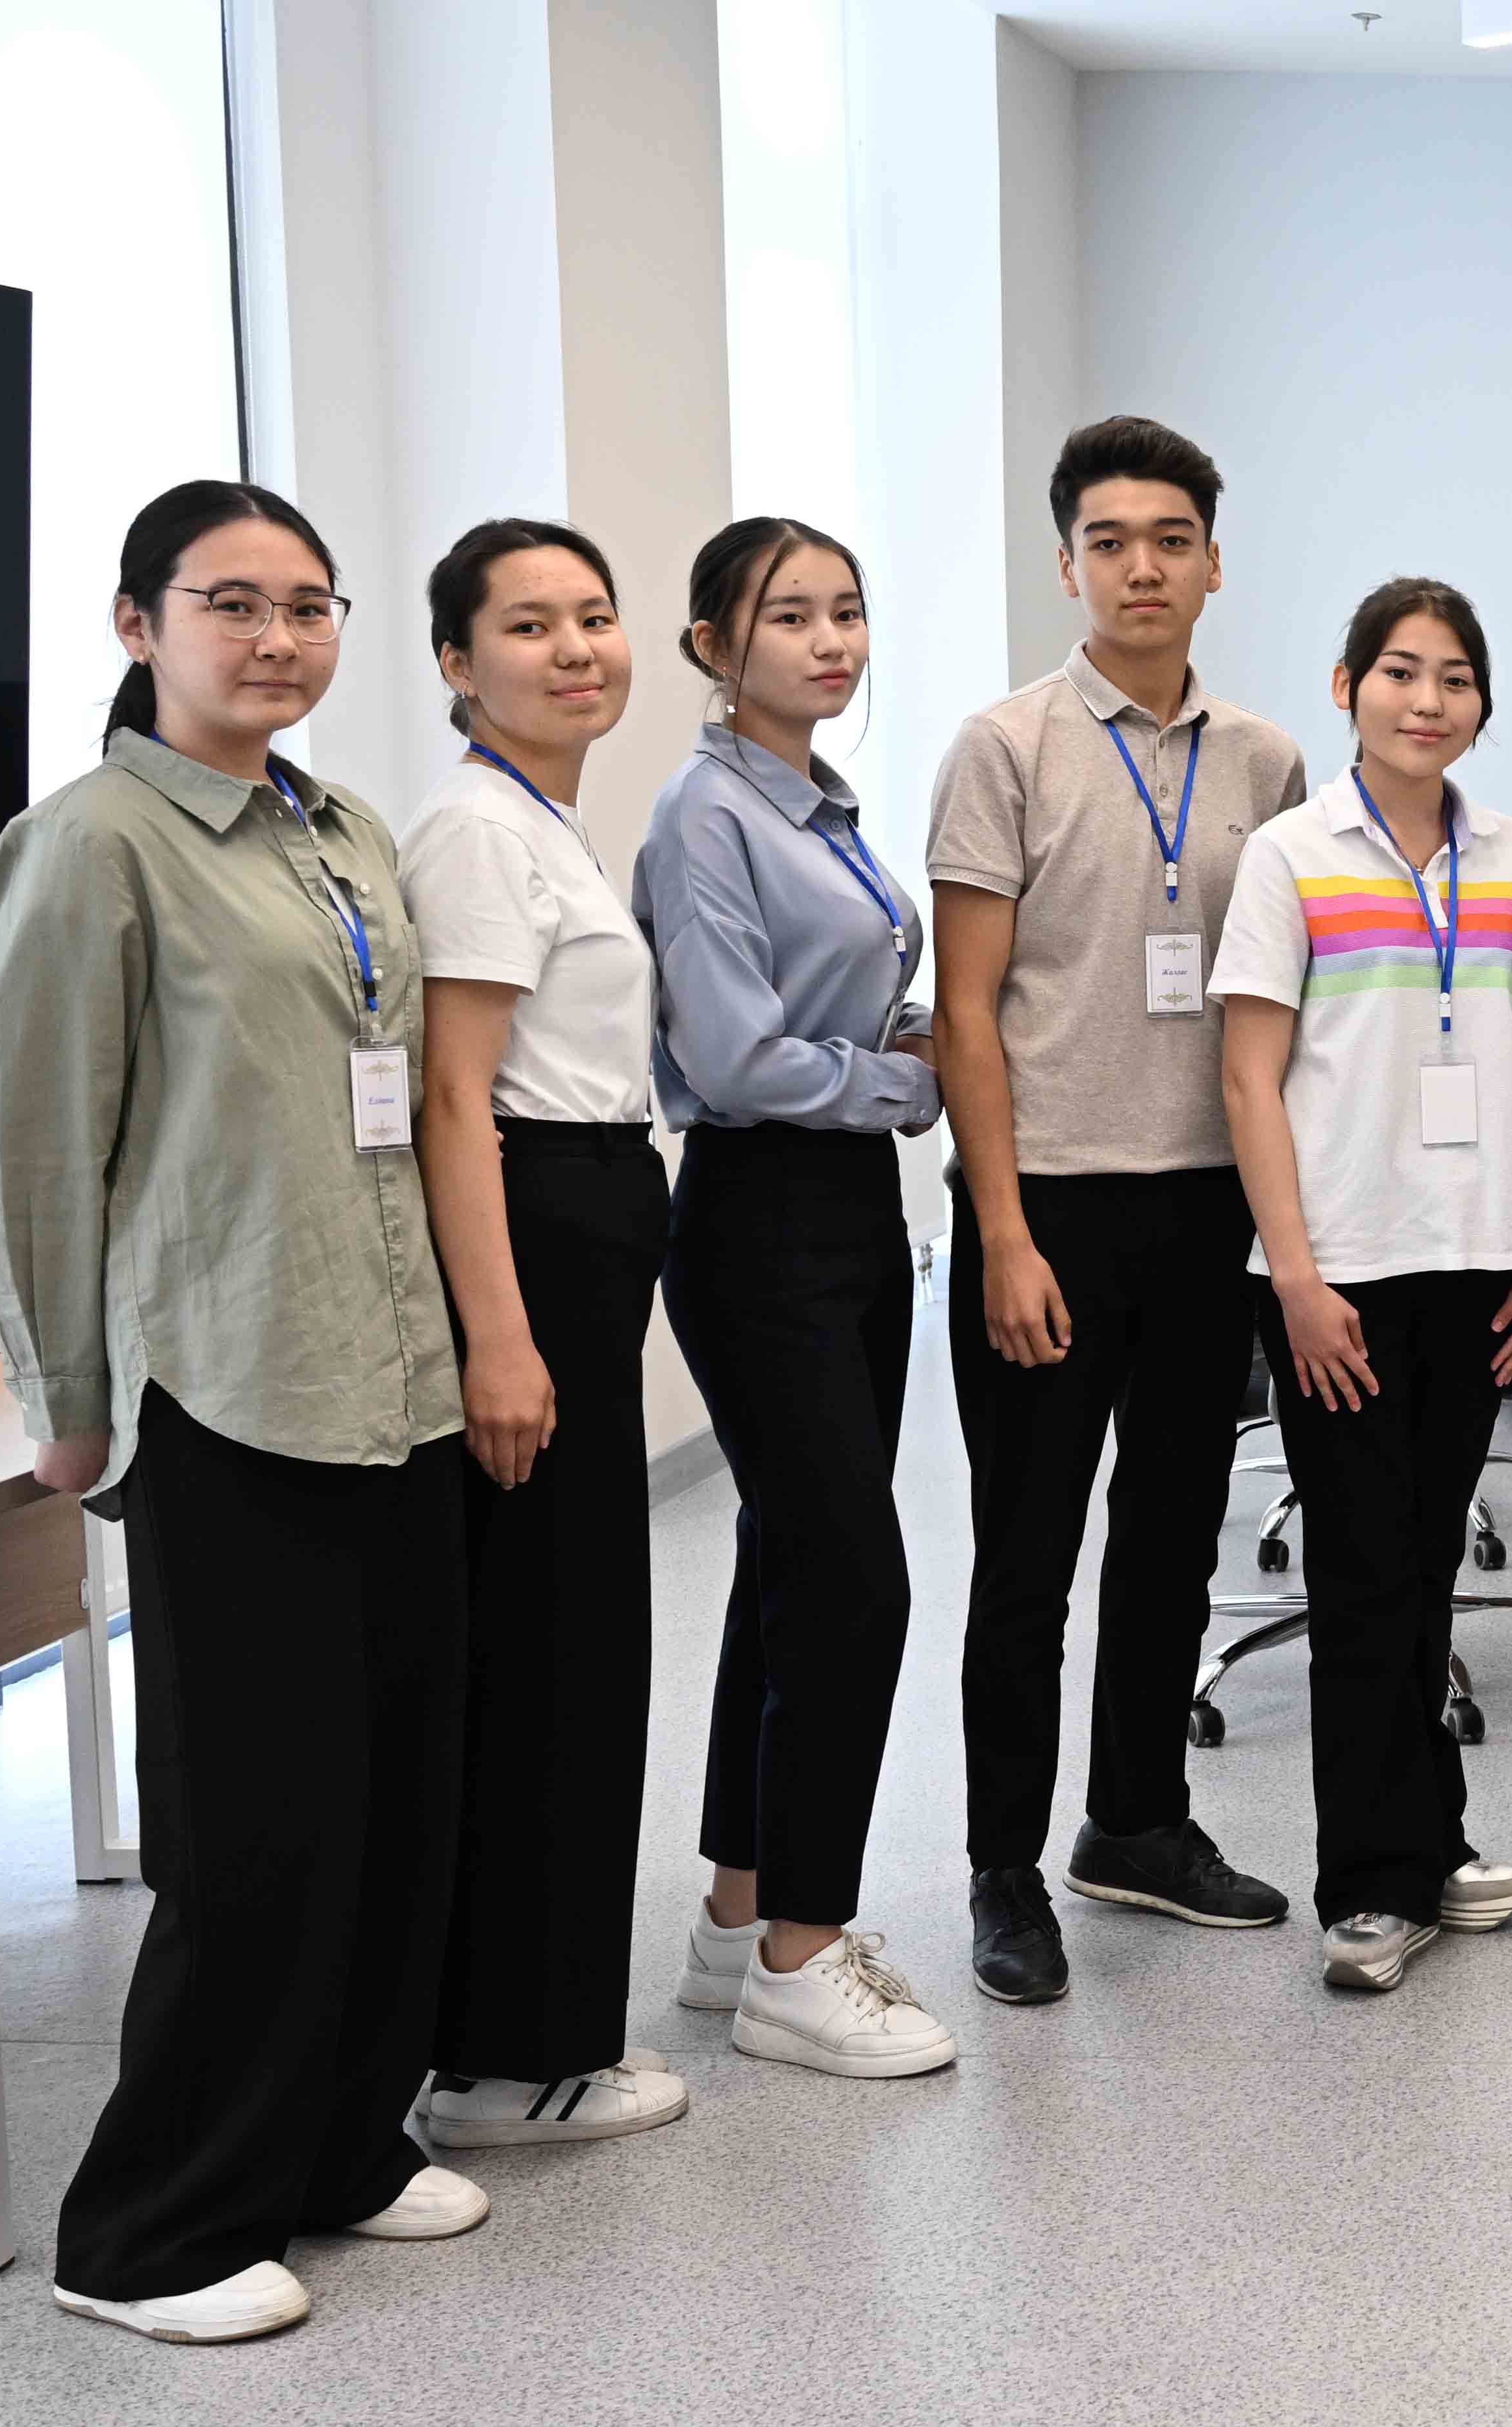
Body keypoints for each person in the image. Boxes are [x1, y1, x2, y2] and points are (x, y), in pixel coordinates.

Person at [0, 481, 479, 2343]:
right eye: (230, 603)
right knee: (256, 1827)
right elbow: (39, 1143)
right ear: (138, 625)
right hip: (225, 1378)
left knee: (392, 1797)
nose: (277, 638)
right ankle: (155, 2229)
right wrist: (63, 1393)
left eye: (307, 604)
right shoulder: (89, 845)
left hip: (390, 1371)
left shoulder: (337, 828)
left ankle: (336, 2144)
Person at [927, 416, 1312, 2004]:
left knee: (1167, 1539)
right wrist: (1003, 1231)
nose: (1140, 566)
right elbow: (963, 1010)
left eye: (1169, 539)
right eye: (1108, 540)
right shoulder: (1003, 746)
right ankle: (1002, 1868)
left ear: (1213, 563)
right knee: (1026, 1560)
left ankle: (1136, 1821)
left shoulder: (1266, 762)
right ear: (1067, 562)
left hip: (1203, 1211)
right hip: (1047, 1213)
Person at [640, 517, 959, 2080]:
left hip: (843, 1211)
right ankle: (800, 1957)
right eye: (789, 617)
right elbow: (732, 1057)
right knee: (852, 1584)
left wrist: (914, 1031)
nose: (830, 640)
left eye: (846, 611)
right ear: (714, 643)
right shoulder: (706, 812)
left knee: (786, 1561)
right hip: (762, 1209)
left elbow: (819, 1009)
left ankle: (735, 1915)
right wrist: (907, 1080)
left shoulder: (819, 804)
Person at [1215, 577, 1512, 1995]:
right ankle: (1364, 1886)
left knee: (1422, 1569)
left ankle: (1431, 1843)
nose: (1428, 700)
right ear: (1347, 684)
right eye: (1401, 671)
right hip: (1339, 1271)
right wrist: (1293, 1275)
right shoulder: (1289, 856)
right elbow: (1247, 1075)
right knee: (1362, 1578)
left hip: (1475, 1262)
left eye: (1455, 676)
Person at [393, 517, 686, 2150]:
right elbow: (456, 1099)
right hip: (532, 1246)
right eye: (528, 626)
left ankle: (538, 2028)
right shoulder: (475, 832)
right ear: (457, 661)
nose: (575, 649)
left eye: (594, 615)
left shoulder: (540, 819)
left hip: (579, 1222)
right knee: (550, 1654)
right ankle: (510, 2058)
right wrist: (500, 1343)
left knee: (580, 1639)